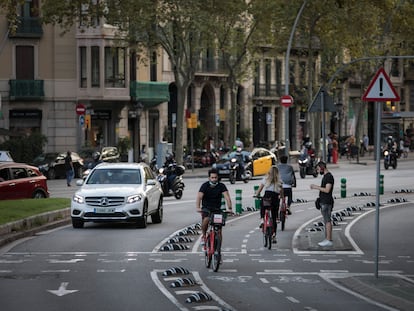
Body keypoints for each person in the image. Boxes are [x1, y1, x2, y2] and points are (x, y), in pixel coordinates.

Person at [196, 168, 233, 247]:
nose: (214, 179)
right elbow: (199, 197)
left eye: (215, 177)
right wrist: (198, 207)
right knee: (206, 220)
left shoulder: (221, 186)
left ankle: (218, 249)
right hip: (206, 208)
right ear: (209, 178)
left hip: (217, 209)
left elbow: (227, 197)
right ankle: (204, 235)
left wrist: (229, 208)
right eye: (212, 178)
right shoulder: (205, 185)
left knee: (219, 229)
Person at [255, 166, 283, 243]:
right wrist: (281, 196)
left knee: (263, 206)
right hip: (275, 199)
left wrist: (256, 194)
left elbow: (259, 189)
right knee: (274, 218)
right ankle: (274, 235)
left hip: (267, 198)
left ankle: (262, 220)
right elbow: (281, 192)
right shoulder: (279, 181)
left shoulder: (266, 179)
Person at [310, 161, 334, 247]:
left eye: (318, 169)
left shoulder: (329, 177)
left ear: (322, 168)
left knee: (327, 221)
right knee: (326, 220)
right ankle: (327, 238)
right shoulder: (326, 176)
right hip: (324, 201)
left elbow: (327, 190)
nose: (317, 171)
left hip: (327, 202)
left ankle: (329, 239)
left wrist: (315, 187)